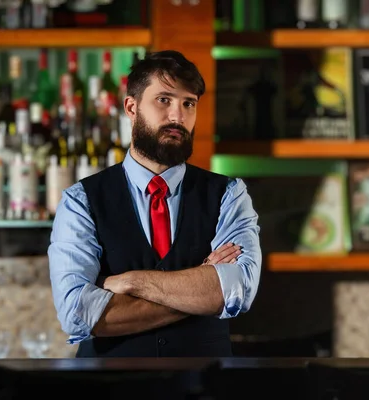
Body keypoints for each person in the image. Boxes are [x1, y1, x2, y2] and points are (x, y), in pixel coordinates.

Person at [48, 50, 262, 358]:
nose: (178, 116)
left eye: (188, 103)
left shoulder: (229, 194)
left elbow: (236, 291)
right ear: (131, 107)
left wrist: (129, 282)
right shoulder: (80, 201)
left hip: (203, 388)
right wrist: (199, 290)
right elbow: (78, 312)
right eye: (164, 100)